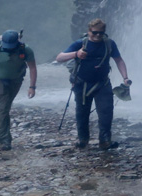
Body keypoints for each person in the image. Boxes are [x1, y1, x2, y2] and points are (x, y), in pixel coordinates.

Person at [56, 18, 131, 150]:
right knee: (82, 112)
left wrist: (125, 78)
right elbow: (59, 58)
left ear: (104, 32)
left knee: (106, 111)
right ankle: (83, 140)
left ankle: (105, 141)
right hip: (81, 83)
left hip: (102, 83)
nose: (97, 35)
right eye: (94, 32)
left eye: (100, 33)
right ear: (89, 31)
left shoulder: (109, 44)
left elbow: (119, 60)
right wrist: (76, 54)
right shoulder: (80, 43)